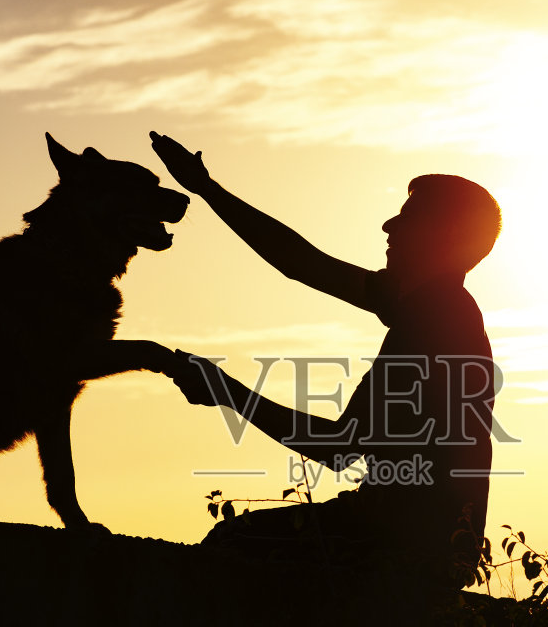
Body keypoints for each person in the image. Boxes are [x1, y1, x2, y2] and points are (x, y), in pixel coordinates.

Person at [149, 131, 504, 585]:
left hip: (404, 547)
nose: (388, 227)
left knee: (231, 546)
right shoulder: (426, 303)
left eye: (408, 217)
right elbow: (300, 262)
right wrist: (206, 187)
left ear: (446, 234)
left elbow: (339, 447)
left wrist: (226, 392)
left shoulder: (434, 324)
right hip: (405, 533)